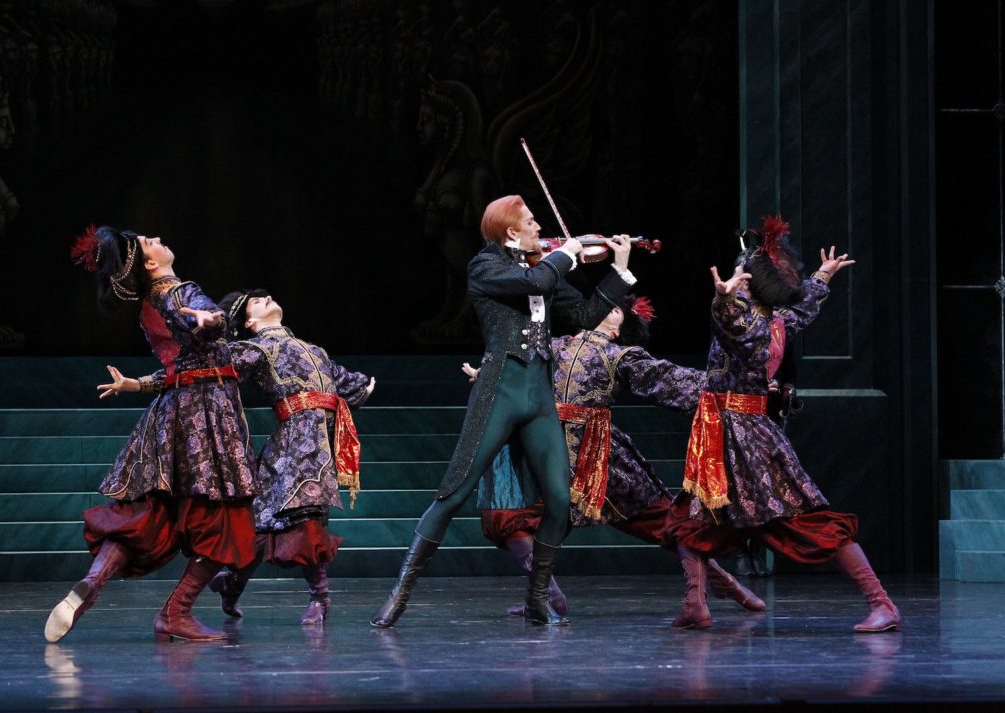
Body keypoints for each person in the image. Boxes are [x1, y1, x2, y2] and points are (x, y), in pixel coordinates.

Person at [370, 194, 635, 627]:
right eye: (531, 222)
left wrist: (618, 271)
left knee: (558, 498)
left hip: (538, 396)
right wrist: (566, 255)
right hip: (500, 390)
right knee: (455, 490)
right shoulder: (486, 267)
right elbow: (534, 284)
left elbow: (587, 315)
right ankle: (401, 592)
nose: (539, 229)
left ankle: (537, 598)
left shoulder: (543, 270)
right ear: (511, 230)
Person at [667, 216, 900, 632]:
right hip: (723, 433)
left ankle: (881, 603)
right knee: (694, 519)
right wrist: (821, 280)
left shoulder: (752, 323)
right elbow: (801, 312)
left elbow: (737, 331)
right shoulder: (776, 321)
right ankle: (695, 604)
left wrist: (723, 301)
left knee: (799, 519)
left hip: (740, 436)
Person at [466, 296, 763, 617]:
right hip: (543, 445)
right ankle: (546, 595)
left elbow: (670, 380)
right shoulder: (551, 344)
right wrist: (486, 374)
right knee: (504, 514)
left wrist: (736, 387)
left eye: (617, 308)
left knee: (666, 521)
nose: (607, 308)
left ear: (620, 328)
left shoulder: (620, 355)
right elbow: (514, 362)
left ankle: (717, 582)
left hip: (596, 454)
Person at [46, 225, 256, 643]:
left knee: (146, 512)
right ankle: (174, 612)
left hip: (168, 414)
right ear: (150, 263)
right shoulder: (180, 291)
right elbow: (202, 320)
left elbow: (177, 364)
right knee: (228, 521)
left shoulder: (149, 304)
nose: (158, 238)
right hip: (205, 416)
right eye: (149, 242)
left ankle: (92, 581)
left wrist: (134, 385)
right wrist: (207, 318)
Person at [207, 289, 375, 625]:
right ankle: (319, 597)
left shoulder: (315, 350)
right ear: (250, 322)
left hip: (320, 441)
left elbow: (344, 383)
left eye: (264, 295)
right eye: (256, 301)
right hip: (294, 443)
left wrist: (361, 389)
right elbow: (216, 363)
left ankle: (233, 583)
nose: (266, 296)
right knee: (296, 519)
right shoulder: (256, 349)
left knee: (271, 523)